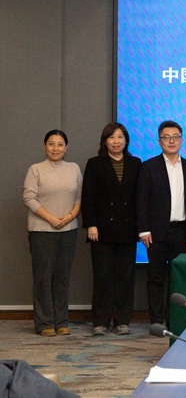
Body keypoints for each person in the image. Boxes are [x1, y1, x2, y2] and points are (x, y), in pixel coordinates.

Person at [82, 122, 142, 336]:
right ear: (105, 141)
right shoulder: (95, 164)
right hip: (101, 230)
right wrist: (91, 224)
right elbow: (88, 196)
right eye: (112, 137)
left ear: (126, 140)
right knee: (102, 276)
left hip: (127, 229)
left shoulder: (136, 163)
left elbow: (139, 197)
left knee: (125, 277)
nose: (116, 141)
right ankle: (100, 321)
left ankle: (122, 321)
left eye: (120, 137)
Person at [22, 130, 82, 337]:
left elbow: (79, 198)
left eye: (60, 144)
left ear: (66, 147)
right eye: (51, 144)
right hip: (41, 230)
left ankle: (62, 321)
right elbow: (29, 198)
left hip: (68, 229)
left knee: (62, 277)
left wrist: (69, 217)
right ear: (44, 146)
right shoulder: (35, 169)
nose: (55, 148)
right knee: (43, 277)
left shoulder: (74, 168)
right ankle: (45, 323)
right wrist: (51, 219)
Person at [136, 120, 186, 326]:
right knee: (156, 277)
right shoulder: (149, 167)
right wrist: (143, 230)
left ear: (181, 140)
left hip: (181, 230)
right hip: (155, 232)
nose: (171, 141)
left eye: (175, 137)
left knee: (177, 277)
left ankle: (174, 319)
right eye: (166, 137)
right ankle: (156, 319)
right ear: (159, 141)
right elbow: (141, 200)